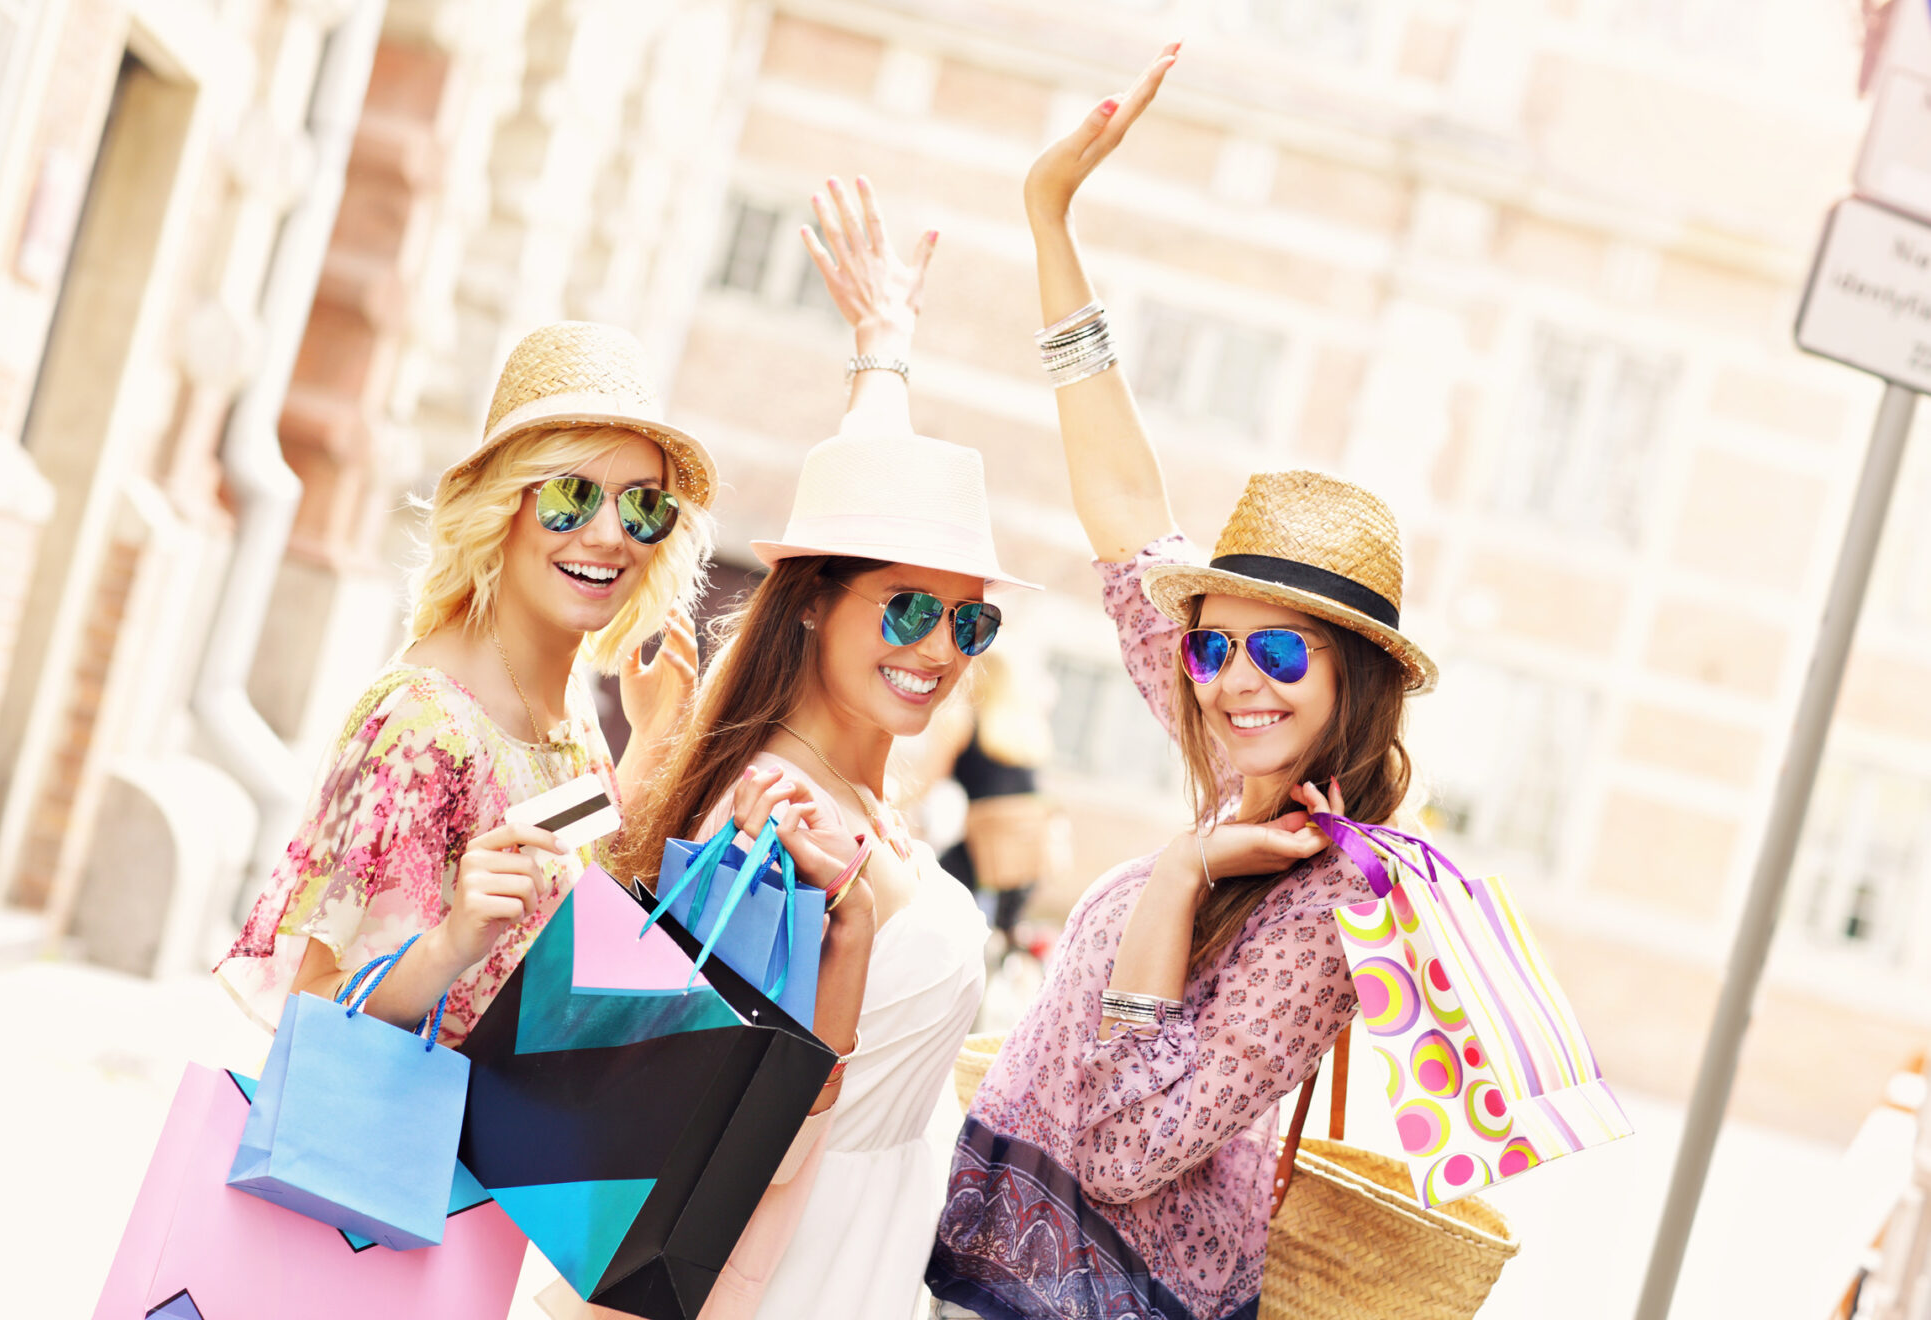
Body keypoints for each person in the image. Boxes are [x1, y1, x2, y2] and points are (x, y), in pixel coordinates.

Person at [927, 47, 1440, 1320]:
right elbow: (1121, 509)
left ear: (1353, 682)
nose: (1229, 682)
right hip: (997, 1270)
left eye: (1280, 654)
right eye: (1211, 644)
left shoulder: (1333, 898)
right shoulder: (1240, 764)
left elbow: (1125, 1152)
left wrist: (1176, 881)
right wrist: (1050, 224)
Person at [602, 176, 1035, 1320]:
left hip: (865, 1262)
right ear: (810, 607)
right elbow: (725, 1126)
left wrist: (884, 354)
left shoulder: (856, 788)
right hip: (788, 1274)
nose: (939, 648)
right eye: (907, 611)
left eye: (968, 621)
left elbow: (866, 523)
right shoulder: (774, 821)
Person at [216, 320, 713, 1045]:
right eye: (570, 496)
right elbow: (311, 1008)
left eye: (641, 505)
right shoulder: (423, 723)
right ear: (502, 506)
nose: (609, 535)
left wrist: (651, 745)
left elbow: (569, 892)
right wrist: (448, 946)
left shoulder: (566, 703)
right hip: (418, 1148)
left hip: (512, 1146)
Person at [932, 649, 1056, 951]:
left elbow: (927, 780)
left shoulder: (965, 720)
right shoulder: (1026, 726)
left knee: (933, 893)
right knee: (1002, 929)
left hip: (987, 842)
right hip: (1028, 846)